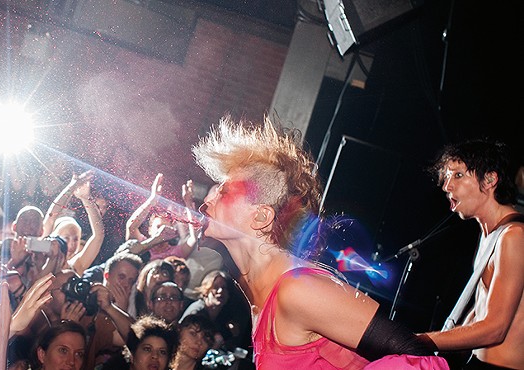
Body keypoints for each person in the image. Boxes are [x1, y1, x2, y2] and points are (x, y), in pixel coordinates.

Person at [191, 116, 447, 369]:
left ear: (261, 216)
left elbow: (418, 357)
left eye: (223, 192)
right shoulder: (257, 292)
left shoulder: (298, 291)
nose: (207, 200)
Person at [421, 139, 524, 370]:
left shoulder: (514, 236)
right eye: (446, 177)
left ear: (490, 179)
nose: (447, 186)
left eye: (457, 175)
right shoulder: (490, 234)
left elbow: (494, 329)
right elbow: (481, 311)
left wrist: (425, 340)